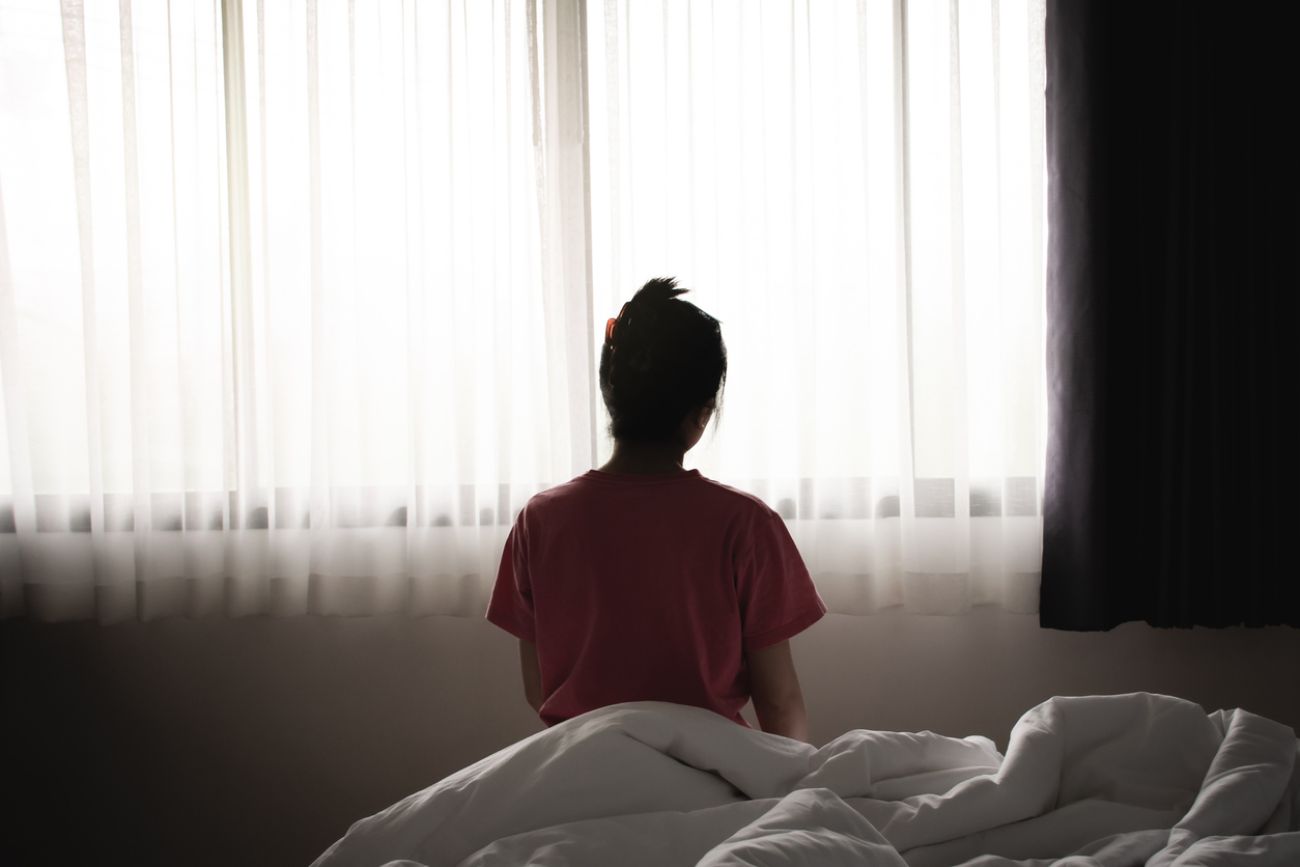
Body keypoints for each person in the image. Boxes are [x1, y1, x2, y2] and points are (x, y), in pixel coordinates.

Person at [486, 277, 825, 741]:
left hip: (581, 769)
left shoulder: (539, 521)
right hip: (712, 773)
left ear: (609, 393)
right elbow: (779, 703)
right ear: (701, 414)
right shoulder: (746, 525)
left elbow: (539, 687)